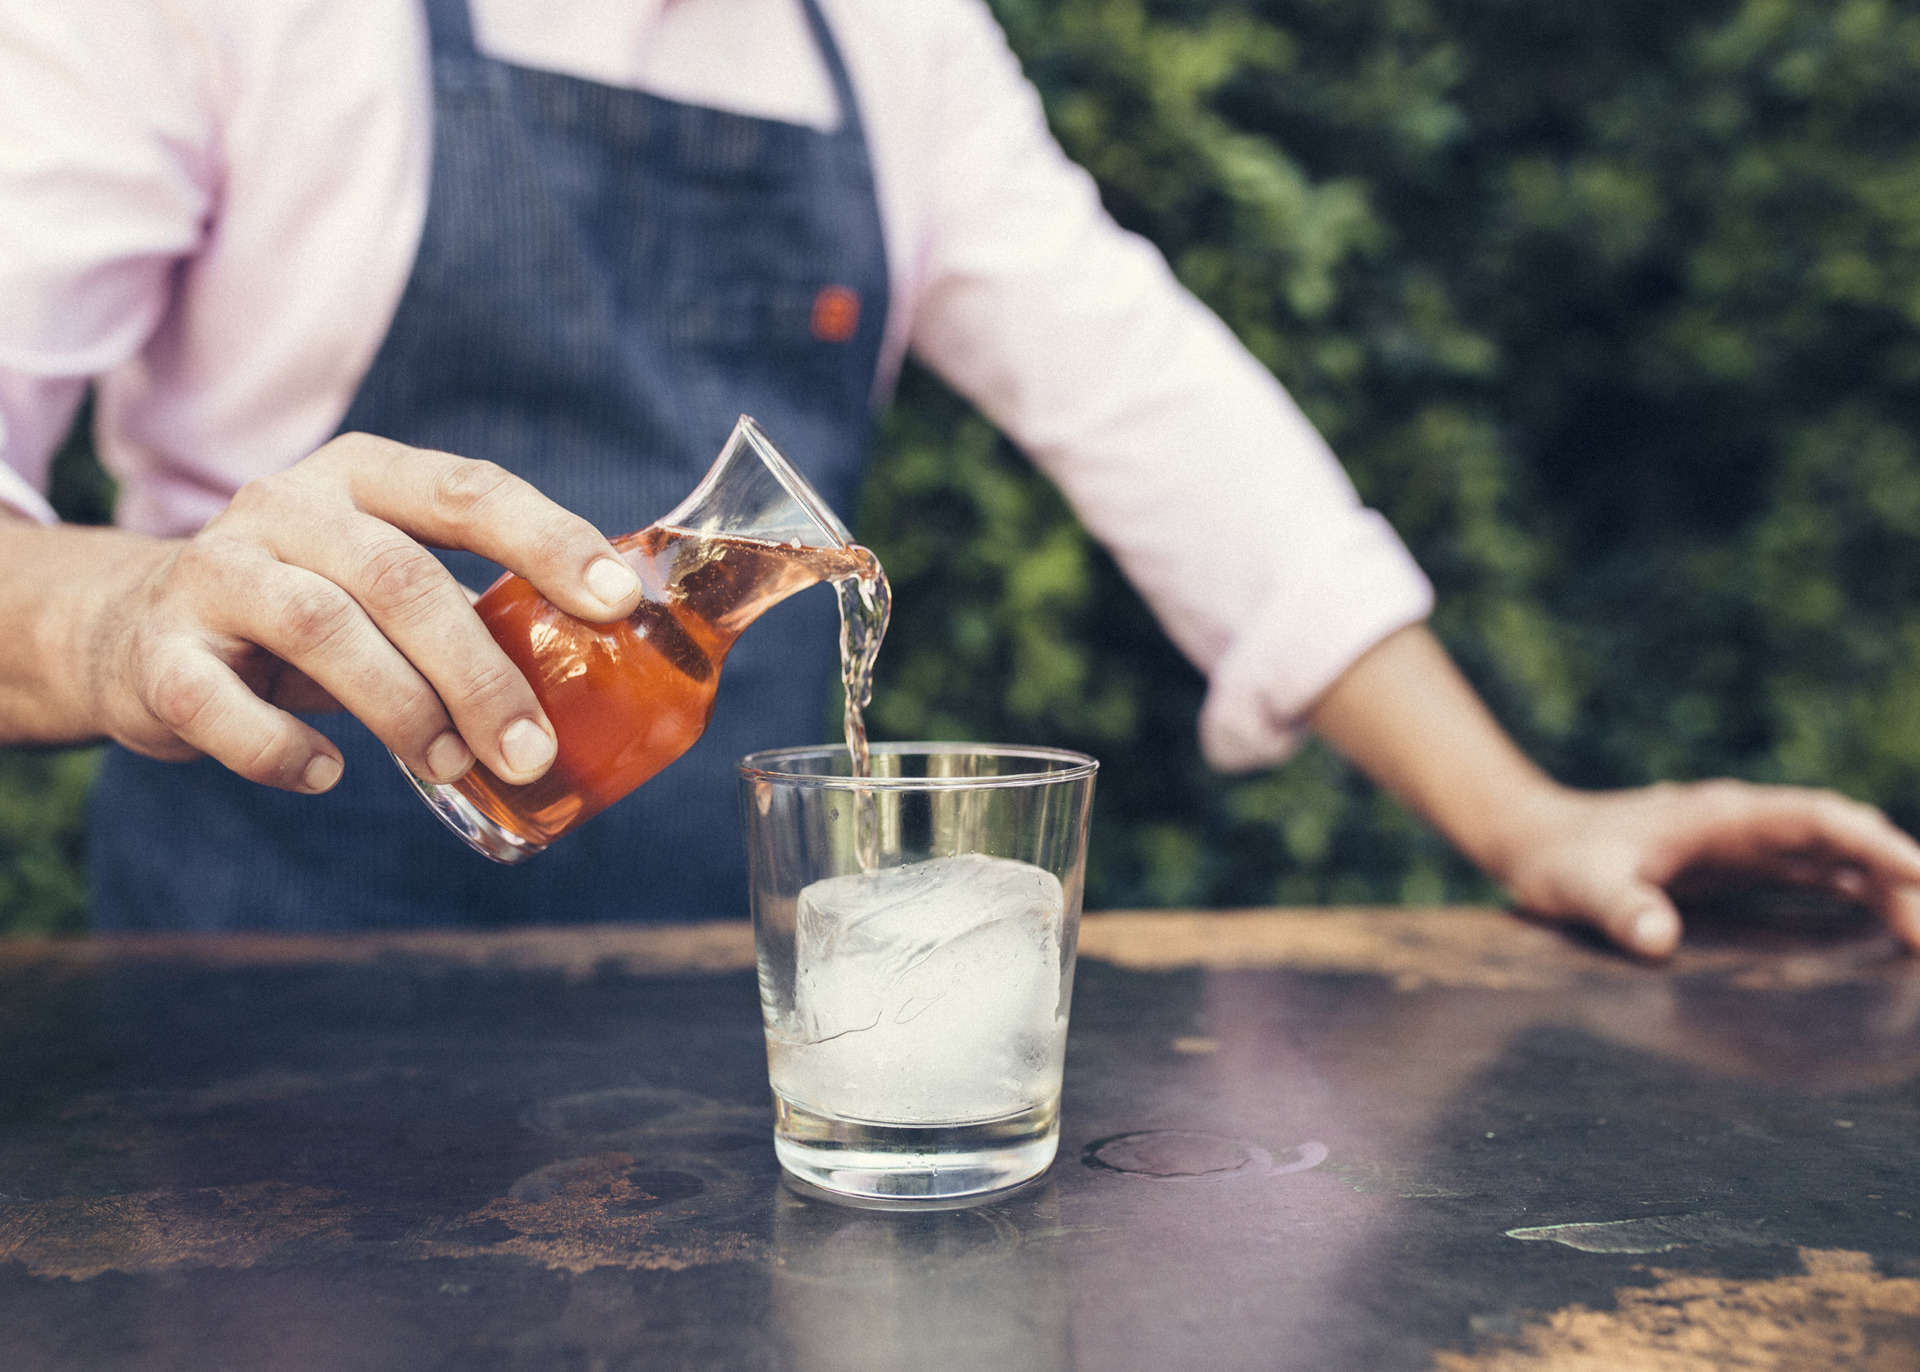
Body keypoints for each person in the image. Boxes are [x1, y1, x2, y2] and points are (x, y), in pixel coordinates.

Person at [3, 0, 1917, 952]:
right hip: (258, 1035)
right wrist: (124, 615)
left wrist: (1521, 817)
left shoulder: (891, 36)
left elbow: (1158, 403)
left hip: (728, 1044)